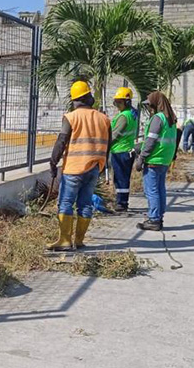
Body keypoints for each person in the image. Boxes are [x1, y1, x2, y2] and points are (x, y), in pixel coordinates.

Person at [48, 80, 111, 251]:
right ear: (89, 97)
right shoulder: (104, 119)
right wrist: (103, 166)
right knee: (85, 204)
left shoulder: (71, 117)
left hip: (74, 168)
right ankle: (80, 240)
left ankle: (65, 241)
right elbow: (108, 144)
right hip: (94, 168)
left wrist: (53, 162)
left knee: (66, 203)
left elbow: (61, 141)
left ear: (75, 100)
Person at [135, 91, 178, 231]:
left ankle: (153, 219)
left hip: (154, 158)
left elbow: (150, 140)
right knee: (160, 189)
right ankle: (158, 216)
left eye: (150, 105)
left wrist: (141, 157)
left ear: (155, 104)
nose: (149, 108)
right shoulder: (170, 119)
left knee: (151, 191)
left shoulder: (158, 118)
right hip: (165, 159)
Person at [108, 87, 139, 212]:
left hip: (120, 151)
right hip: (126, 150)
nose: (117, 105)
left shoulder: (123, 116)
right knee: (123, 177)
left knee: (120, 178)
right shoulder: (132, 114)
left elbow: (114, 135)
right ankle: (122, 201)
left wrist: (104, 144)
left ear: (126, 102)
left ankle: (121, 203)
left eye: (119, 102)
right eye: (116, 102)